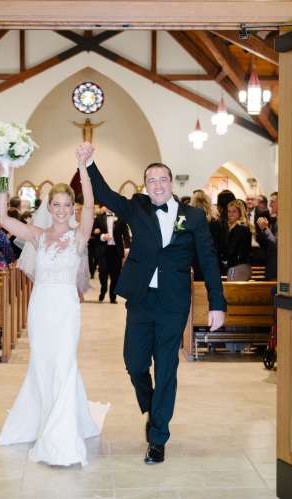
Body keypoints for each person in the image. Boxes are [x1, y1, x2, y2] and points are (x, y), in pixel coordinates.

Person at [80, 141, 225, 465]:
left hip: (173, 302)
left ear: (171, 183)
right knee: (134, 363)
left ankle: (158, 437)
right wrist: (89, 164)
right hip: (141, 299)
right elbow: (105, 194)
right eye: (151, 180)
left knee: (167, 367)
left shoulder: (193, 217)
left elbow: (208, 260)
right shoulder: (138, 208)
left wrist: (217, 304)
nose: (157, 185)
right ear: (145, 185)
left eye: (162, 179)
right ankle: (151, 405)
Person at [0, 157, 109, 467]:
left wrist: (84, 167)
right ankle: (43, 417)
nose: (61, 210)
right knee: (43, 362)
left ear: (72, 208)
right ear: (48, 206)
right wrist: (4, 175)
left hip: (66, 308)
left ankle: (61, 434)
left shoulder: (79, 236)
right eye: (56, 204)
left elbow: (90, 205)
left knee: (64, 362)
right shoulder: (37, 235)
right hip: (41, 307)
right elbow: (2, 218)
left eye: (66, 205)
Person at [93, 207, 130, 303]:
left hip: (116, 251)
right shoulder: (99, 218)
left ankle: (113, 297)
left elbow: (126, 234)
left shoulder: (121, 217)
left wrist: (127, 248)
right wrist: (102, 236)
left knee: (115, 275)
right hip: (103, 251)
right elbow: (94, 232)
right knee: (103, 273)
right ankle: (103, 289)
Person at [222, 200, 253, 281]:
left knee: (232, 289)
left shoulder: (239, 228)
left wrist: (223, 257)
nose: (230, 214)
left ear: (240, 212)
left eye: (234, 211)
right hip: (245, 266)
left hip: (237, 267)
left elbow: (231, 250)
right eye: (229, 211)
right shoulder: (244, 226)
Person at [257, 191, 278, 280]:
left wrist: (265, 229)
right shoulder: (274, 220)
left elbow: (276, 244)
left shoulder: (283, 221)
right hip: (270, 264)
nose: (270, 205)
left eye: (272, 202)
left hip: (277, 267)